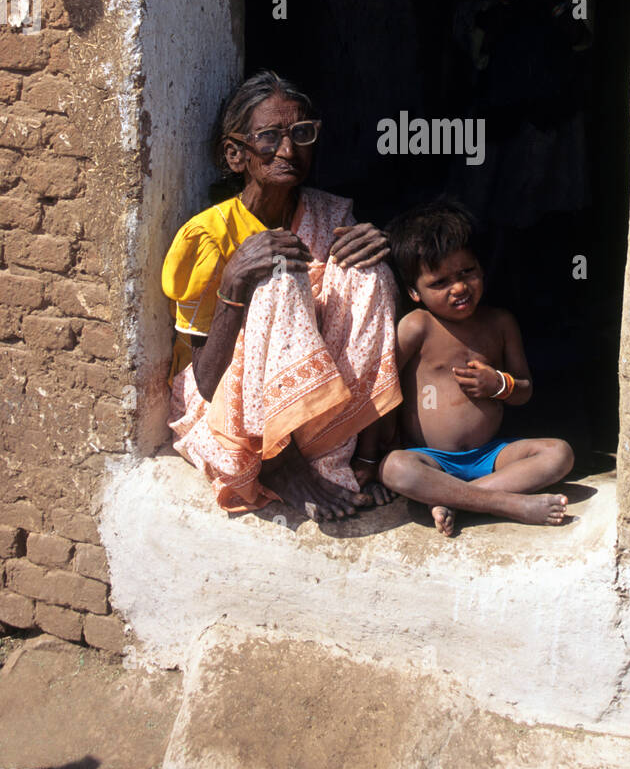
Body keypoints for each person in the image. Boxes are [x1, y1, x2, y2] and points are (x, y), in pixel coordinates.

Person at [162, 70, 401, 520]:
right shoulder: (208, 236)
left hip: (310, 404)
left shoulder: (330, 215)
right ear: (236, 154)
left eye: (301, 135)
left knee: (370, 271)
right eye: (269, 137)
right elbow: (206, 379)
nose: (289, 151)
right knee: (280, 276)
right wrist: (234, 283)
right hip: (228, 406)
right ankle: (280, 464)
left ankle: (340, 453)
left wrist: (384, 243)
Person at [369, 200, 574, 535]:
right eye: (440, 282)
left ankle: (454, 500)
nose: (459, 288)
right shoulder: (416, 326)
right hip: (429, 458)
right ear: (413, 292)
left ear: (482, 267)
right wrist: (368, 456)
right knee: (395, 468)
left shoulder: (501, 323)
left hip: (490, 458)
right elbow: (379, 388)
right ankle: (510, 504)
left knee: (559, 454)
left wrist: (499, 385)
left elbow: (524, 391)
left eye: (467, 272)